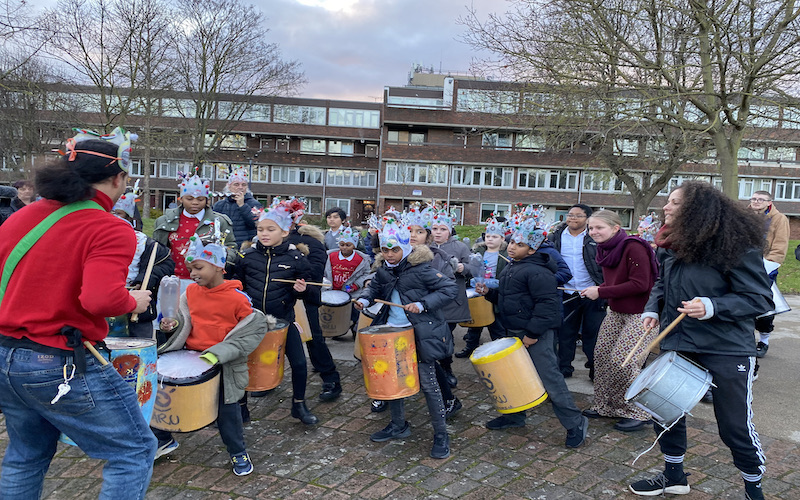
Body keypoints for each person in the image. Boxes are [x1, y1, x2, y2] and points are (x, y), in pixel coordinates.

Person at [0, 129, 156, 499]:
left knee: (26, 453)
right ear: (118, 178)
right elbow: (101, 299)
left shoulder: (21, 217)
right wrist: (133, 302)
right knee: (134, 450)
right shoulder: (109, 227)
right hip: (55, 359)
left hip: (4, 352)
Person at [628, 181, 772, 500]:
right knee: (665, 412)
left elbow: (760, 299)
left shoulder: (737, 246)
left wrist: (712, 306)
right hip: (679, 343)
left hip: (726, 348)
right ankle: (674, 476)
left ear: (697, 211)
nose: (666, 208)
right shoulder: (671, 244)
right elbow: (662, 284)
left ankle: (753, 488)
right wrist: (653, 308)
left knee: (733, 427)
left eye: (675, 203)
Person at [155, 238, 267, 476]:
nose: (192, 273)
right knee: (163, 398)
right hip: (190, 357)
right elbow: (185, 321)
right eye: (190, 268)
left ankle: (238, 452)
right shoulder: (190, 292)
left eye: (198, 267)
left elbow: (250, 332)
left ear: (218, 267)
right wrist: (171, 324)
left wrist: (217, 354)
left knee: (228, 413)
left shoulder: (237, 299)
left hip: (223, 364)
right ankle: (163, 438)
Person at [475, 217, 588, 448]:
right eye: (512, 242)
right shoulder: (512, 265)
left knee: (550, 378)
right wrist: (489, 293)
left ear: (533, 249)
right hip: (513, 330)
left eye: (519, 244)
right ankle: (515, 415)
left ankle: (575, 422)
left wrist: (532, 334)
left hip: (534, 335)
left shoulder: (539, 272)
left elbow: (547, 307)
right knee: (512, 375)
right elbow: (510, 299)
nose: (513, 246)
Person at [355, 219, 458, 459]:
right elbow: (375, 290)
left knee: (429, 386)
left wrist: (423, 305)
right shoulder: (383, 269)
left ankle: (441, 434)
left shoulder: (422, 269)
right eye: (385, 249)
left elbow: (449, 289)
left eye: (395, 249)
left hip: (419, 334)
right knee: (393, 381)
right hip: (391, 333)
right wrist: (365, 299)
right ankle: (398, 425)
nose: (389, 254)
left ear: (406, 248)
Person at [234, 202, 319, 424]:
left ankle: (299, 405)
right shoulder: (247, 257)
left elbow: (313, 295)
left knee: (300, 364)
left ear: (284, 231)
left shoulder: (296, 259)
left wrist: (304, 289)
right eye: (261, 229)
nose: (264, 234)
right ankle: (241, 408)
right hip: (249, 321)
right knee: (242, 364)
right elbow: (235, 286)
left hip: (283, 320)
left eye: (270, 229)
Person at [579, 210, 658, 432]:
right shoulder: (605, 249)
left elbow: (641, 284)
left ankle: (640, 412)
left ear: (615, 228)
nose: (594, 232)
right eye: (591, 228)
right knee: (602, 357)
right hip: (616, 311)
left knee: (623, 361)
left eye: (599, 227)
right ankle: (607, 406)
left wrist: (601, 292)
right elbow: (616, 281)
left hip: (641, 315)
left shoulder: (634, 247)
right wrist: (600, 289)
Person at [286, 198, 343, 402]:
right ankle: (267, 377)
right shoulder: (263, 242)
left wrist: (296, 276)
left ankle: (330, 378)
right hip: (273, 299)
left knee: (313, 338)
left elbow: (315, 272)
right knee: (272, 340)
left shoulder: (310, 243)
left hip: (302, 299)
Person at [548, 204, 605, 380]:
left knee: (593, 334)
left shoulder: (595, 237)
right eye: (570, 215)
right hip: (565, 291)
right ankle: (564, 368)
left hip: (591, 291)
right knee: (565, 333)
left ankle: (594, 369)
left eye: (578, 216)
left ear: (587, 218)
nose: (573, 218)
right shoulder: (555, 236)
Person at [153, 173, 235, 293]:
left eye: (200, 199)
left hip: (207, 283)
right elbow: (156, 251)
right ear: (181, 198)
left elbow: (231, 247)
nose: (195, 203)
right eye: (189, 198)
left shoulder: (219, 222)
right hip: (172, 280)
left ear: (207, 199)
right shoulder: (164, 221)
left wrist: (220, 264)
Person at [112, 188, 174, 338]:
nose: (113, 217)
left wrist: (143, 280)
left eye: (118, 213)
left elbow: (166, 264)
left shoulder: (147, 244)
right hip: (105, 308)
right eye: (109, 213)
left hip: (138, 312)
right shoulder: (93, 239)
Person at [430, 206, 472, 387]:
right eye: (434, 229)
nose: (438, 233)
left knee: (446, 335)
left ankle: (446, 368)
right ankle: (431, 369)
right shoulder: (424, 248)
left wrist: (463, 268)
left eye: (442, 229)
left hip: (451, 301)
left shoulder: (460, 247)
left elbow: (475, 269)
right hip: (429, 299)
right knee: (430, 336)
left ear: (449, 230)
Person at [456, 215, 509, 358]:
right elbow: (471, 268)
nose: (490, 239)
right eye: (488, 236)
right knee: (476, 320)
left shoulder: (506, 254)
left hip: (496, 292)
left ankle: (500, 350)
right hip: (477, 290)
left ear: (502, 239)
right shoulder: (478, 252)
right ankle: (471, 347)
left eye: (494, 236)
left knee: (496, 323)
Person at [748, 190, 789, 358]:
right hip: (744, 266)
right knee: (743, 304)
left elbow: (780, 246)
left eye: (761, 199)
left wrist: (767, 266)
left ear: (769, 202)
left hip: (765, 268)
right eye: (754, 198)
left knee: (765, 306)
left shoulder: (779, 219)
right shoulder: (743, 216)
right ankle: (746, 339)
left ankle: (763, 341)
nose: (756, 202)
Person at [323, 223, 371, 332]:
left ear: (354, 245)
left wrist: (356, 285)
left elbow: (366, 273)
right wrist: (325, 281)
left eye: (348, 245)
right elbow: (323, 271)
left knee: (354, 313)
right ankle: (335, 330)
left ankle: (355, 329)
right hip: (331, 291)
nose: (344, 247)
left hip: (352, 292)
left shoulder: (361, 259)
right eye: (342, 244)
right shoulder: (330, 256)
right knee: (333, 314)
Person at [212, 167, 262, 248]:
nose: (240, 187)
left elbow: (255, 224)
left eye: (244, 184)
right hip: (224, 246)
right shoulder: (220, 205)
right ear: (229, 186)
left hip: (245, 247)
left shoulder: (254, 204)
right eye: (236, 184)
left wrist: (242, 205)